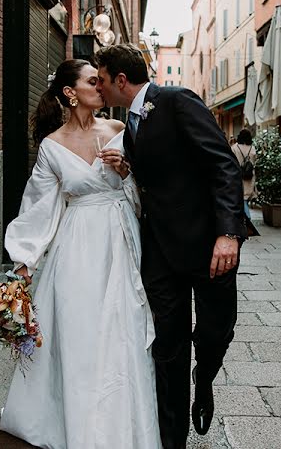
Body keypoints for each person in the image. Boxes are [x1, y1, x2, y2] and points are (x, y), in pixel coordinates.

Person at [0, 59, 161, 448]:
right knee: (79, 333)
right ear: (70, 93)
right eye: (93, 81)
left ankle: (120, 427)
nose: (101, 87)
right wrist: (24, 265)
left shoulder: (120, 130)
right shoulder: (51, 147)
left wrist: (127, 172)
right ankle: (77, 423)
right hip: (77, 249)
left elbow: (147, 188)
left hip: (122, 242)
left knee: (123, 331)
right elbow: (39, 207)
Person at [95, 44, 245, 449]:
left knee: (215, 333)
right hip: (160, 253)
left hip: (207, 246)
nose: (100, 87)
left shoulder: (177, 101)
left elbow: (223, 165)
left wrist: (228, 233)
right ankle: (171, 436)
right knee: (167, 344)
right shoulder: (128, 124)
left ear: (121, 80)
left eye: (103, 79)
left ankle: (206, 377)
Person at [231, 129, 256, 218]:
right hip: (249, 176)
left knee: (241, 198)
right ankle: (246, 218)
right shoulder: (252, 148)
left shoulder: (234, 148)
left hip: (237, 175)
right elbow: (254, 162)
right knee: (245, 198)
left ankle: (247, 218)